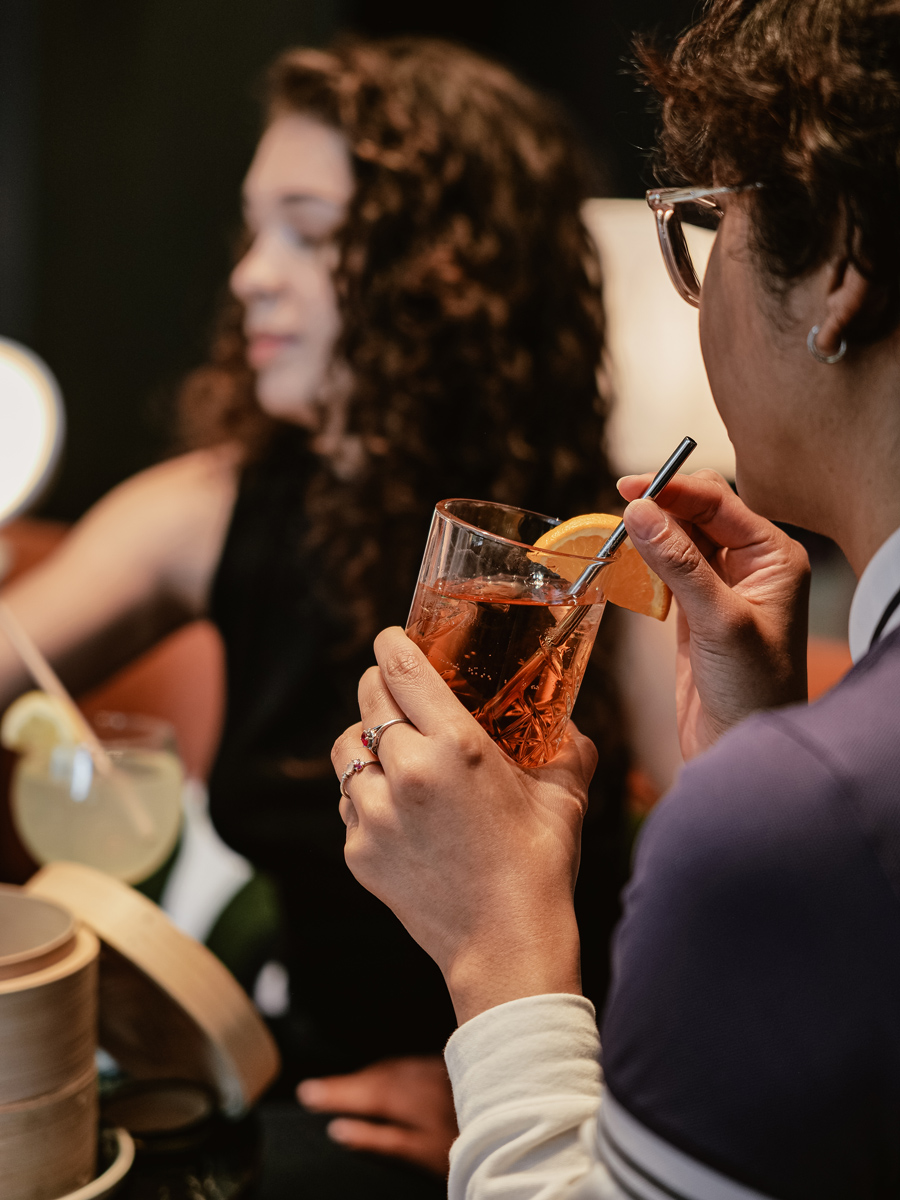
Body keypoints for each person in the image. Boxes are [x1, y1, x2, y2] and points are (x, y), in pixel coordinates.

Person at [0, 37, 677, 1183]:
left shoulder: (596, 562)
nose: (251, 275)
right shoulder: (211, 506)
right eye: (255, 229)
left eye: (309, 235)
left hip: (547, 1103)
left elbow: (755, 907)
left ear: (446, 266)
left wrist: (551, 1089)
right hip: (296, 1080)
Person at [331, 1, 900, 1196]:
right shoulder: (813, 800)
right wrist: (760, 751)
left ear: (839, 262)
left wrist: (499, 946)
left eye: (708, 228)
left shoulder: (815, 812)